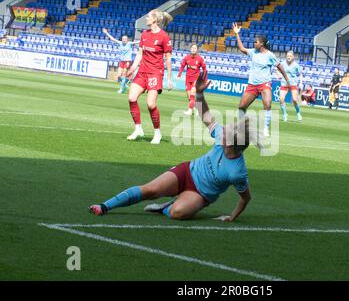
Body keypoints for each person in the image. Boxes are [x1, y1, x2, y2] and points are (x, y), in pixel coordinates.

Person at [89, 71, 254, 222]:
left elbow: (246, 198)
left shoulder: (237, 172)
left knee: (178, 213)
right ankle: (105, 206)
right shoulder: (220, 136)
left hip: (200, 194)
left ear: (230, 143)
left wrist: (232, 217)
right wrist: (199, 93)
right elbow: (205, 115)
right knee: (150, 190)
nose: (223, 129)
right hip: (187, 172)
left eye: (227, 131)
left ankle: (164, 208)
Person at [232, 22, 290, 137]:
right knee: (241, 107)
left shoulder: (270, 55)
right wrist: (237, 34)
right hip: (252, 85)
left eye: (256, 42)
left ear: (262, 44)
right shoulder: (253, 52)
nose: (254, 43)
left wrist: (287, 79)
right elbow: (242, 48)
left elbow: (279, 66)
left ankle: (265, 129)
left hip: (265, 84)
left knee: (267, 105)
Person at [125, 10, 174, 144]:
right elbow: (140, 55)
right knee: (131, 97)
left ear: (155, 20)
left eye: (148, 17)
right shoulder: (144, 34)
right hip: (142, 72)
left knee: (151, 104)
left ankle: (157, 133)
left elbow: (168, 59)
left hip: (155, 73)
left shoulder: (164, 37)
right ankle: (138, 129)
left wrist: (169, 78)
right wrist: (132, 69)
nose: (146, 18)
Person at [102, 28, 139, 94]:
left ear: (127, 40)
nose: (124, 40)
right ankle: (124, 85)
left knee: (124, 75)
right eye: (123, 39)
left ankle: (121, 89)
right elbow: (113, 39)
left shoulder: (130, 44)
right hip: (121, 61)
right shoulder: (120, 43)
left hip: (127, 61)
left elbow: (138, 42)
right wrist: (106, 33)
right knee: (119, 75)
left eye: (125, 39)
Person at [177, 43, 207, 116]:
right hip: (188, 79)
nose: (193, 49)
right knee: (189, 97)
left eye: (195, 48)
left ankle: (190, 111)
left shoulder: (200, 59)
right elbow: (182, 66)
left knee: (193, 94)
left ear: (197, 50)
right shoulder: (186, 58)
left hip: (196, 79)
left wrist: (205, 80)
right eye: (192, 48)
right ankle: (197, 109)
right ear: (190, 49)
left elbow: (205, 69)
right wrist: (179, 74)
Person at [277, 50, 302, 122]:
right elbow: (277, 70)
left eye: (290, 56)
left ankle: (298, 113)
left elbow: (300, 74)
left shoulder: (296, 65)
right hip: (284, 84)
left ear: (293, 57)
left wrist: (301, 83)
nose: (289, 57)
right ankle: (285, 114)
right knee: (281, 99)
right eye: (287, 56)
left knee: (294, 100)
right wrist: (278, 74)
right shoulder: (282, 63)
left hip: (293, 84)